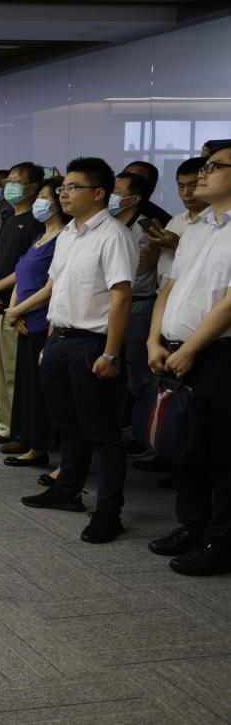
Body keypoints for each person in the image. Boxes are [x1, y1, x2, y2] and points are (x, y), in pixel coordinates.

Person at [21, 157, 137, 545]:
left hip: (93, 344)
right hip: (60, 340)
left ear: (99, 193)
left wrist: (111, 354)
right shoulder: (68, 234)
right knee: (68, 424)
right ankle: (67, 490)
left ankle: (109, 512)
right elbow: (58, 290)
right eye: (63, 187)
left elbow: (121, 297)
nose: (63, 194)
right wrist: (50, 341)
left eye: (73, 187)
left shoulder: (114, 235)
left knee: (101, 431)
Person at [146, 147, 231, 574]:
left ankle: (222, 542)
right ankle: (192, 526)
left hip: (218, 355)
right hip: (174, 349)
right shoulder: (196, 229)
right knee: (183, 444)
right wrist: (153, 340)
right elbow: (170, 287)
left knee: (222, 452)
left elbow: (230, 303)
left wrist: (191, 348)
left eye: (214, 167)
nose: (203, 173)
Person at [3, 176, 69, 467]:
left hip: (42, 321)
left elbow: (50, 288)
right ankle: (29, 440)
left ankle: (40, 446)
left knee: (40, 389)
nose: (39, 203)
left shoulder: (63, 238)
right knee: (26, 385)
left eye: (44, 197)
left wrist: (17, 311)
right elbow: (22, 274)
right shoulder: (39, 236)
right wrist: (14, 309)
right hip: (24, 318)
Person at [0, 162, 44, 445]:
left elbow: (26, 268)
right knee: (0, 369)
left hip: (17, 306)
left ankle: (19, 430)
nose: (8, 186)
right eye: (9, 181)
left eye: (16, 180)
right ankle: (5, 426)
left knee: (15, 371)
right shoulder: (8, 217)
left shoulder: (35, 222)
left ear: (32, 187)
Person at [110, 171, 162, 451]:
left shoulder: (147, 226)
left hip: (139, 302)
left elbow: (151, 267)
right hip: (111, 303)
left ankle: (143, 435)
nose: (112, 196)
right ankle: (120, 424)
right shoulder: (109, 223)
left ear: (134, 199)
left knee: (138, 373)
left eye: (118, 192)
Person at [149, 157, 209, 290]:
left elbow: (209, 267)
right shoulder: (176, 220)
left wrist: (175, 244)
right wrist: (153, 244)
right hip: (163, 293)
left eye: (193, 185)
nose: (186, 193)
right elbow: (152, 264)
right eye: (181, 186)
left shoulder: (217, 222)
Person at [123, 160, 172, 227]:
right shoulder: (110, 207)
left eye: (137, 178)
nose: (128, 181)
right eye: (125, 175)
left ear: (152, 186)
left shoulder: (165, 220)